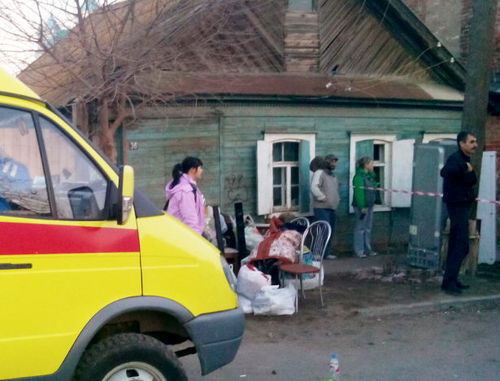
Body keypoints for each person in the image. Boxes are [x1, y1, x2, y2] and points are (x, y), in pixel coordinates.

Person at [440, 131, 478, 295]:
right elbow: (446, 172)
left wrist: (469, 172)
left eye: (475, 141)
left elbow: (472, 181)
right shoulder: (456, 159)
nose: (475, 145)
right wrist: (466, 169)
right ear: (462, 143)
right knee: (460, 245)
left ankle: (451, 279)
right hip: (457, 206)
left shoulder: (465, 160)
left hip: (463, 204)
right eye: (471, 142)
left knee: (460, 245)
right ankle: (449, 282)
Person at [165, 157, 206, 235]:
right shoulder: (185, 191)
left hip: (180, 233)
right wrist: (196, 238)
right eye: (200, 168)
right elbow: (189, 218)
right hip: (183, 236)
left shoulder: (187, 186)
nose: (202, 170)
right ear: (193, 170)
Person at [310, 154, 340, 259]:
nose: (334, 164)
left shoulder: (333, 175)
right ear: (327, 162)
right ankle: (317, 253)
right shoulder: (319, 173)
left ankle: (326, 253)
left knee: (330, 231)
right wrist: (322, 197)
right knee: (322, 231)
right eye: (332, 161)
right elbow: (314, 187)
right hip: (321, 208)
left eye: (335, 162)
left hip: (332, 208)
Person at [352, 156, 378, 258]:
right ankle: (359, 250)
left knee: (368, 228)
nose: (373, 165)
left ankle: (368, 249)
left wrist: (372, 174)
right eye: (371, 163)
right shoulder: (359, 177)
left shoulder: (369, 176)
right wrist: (362, 206)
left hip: (370, 205)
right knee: (360, 228)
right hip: (362, 206)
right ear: (366, 165)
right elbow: (359, 193)